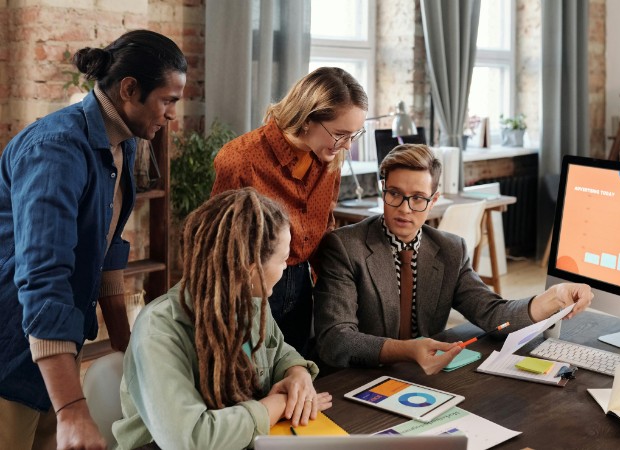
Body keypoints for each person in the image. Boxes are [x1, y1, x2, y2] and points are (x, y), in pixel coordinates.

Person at [0, 30, 186, 449]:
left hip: (55, 350)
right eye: (168, 100)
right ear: (129, 90)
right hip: (11, 347)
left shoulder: (124, 145)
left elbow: (107, 251)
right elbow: (43, 278)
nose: (173, 114)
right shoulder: (56, 149)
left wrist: (127, 347)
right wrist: (72, 408)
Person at [313, 144, 594, 375]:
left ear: (433, 201)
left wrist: (552, 298)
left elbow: (494, 316)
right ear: (382, 190)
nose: (404, 209)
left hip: (424, 378)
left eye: (418, 198)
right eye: (395, 194)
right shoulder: (345, 246)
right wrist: (406, 350)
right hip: (356, 378)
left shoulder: (450, 249)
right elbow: (335, 340)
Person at [113, 188, 332, 449]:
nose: (286, 268)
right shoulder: (159, 330)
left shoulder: (251, 303)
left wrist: (297, 374)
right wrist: (278, 404)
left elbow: (278, 351)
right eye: (283, 260)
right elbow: (191, 440)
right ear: (251, 269)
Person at [211, 67, 368, 356]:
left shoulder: (330, 157)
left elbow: (325, 226)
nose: (347, 144)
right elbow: (219, 246)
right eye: (340, 134)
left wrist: (338, 292)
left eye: (354, 134)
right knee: (251, 378)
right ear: (308, 120)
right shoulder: (240, 159)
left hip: (301, 285)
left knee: (294, 373)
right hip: (251, 289)